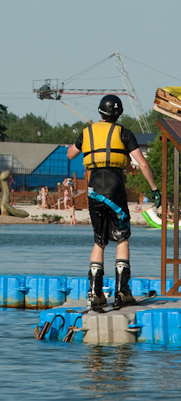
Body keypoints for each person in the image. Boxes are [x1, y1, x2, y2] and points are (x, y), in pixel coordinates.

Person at [67, 95, 161, 310]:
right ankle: (122, 292)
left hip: (94, 190)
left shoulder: (87, 132)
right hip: (115, 189)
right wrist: (154, 189)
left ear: (100, 112)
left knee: (99, 240)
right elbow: (143, 164)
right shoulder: (124, 133)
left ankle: (95, 293)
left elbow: (70, 154)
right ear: (119, 114)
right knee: (121, 237)